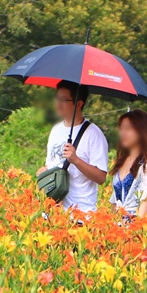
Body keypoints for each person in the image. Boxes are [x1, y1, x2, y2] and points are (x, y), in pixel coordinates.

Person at [38, 81, 109, 213]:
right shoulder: (56, 130)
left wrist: (76, 160)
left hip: (80, 214)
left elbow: (101, 177)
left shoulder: (94, 134)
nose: (57, 104)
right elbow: (51, 165)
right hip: (53, 213)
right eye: (57, 98)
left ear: (79, 103)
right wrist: (44, 172)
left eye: (63, 100)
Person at [109, 109, 147, 219]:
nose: (122, 133)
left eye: (128, 129)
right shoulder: (121, 161)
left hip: (144, 226)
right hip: (122, 224)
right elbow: (115, 201)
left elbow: (146, 200)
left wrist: (135, 230)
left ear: (141, 131)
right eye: (121, 129)